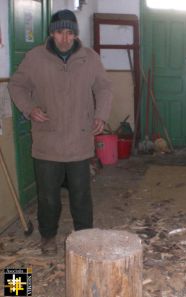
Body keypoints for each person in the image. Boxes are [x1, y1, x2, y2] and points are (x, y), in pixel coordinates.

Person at [8, 9, 113, 255]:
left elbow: (104, 88)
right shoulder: (35, 58)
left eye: (69, 33)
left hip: (79, 141)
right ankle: (48, 237)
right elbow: (16, 85)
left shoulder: (90, 58)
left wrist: (101, 115)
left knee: (81, 196)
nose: (64, 39)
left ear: (76, 34)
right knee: (48, 198)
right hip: (47, 143)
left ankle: (85, 238)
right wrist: (29, 108)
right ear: (51, 34)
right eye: (58, 32)